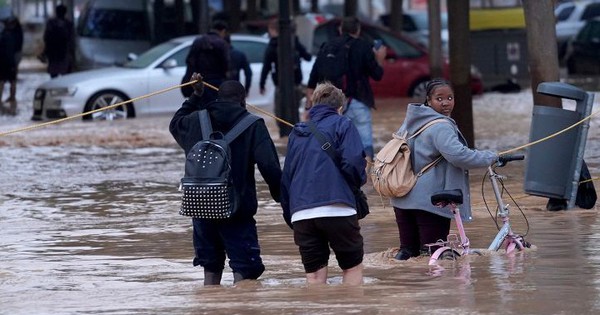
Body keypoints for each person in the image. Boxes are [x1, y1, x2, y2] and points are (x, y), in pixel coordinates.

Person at [169, 73, 282, 285]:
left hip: (201, 208)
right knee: (245, 270)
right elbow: (270, 167)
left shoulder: (195, 120)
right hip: (237, 211)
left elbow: (174, 124)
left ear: (218, 97)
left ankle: (212, 305)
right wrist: (283, 199)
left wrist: (195, 96)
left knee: (210, 267)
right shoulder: (253, 124)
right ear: (243, 100)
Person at [391, 79, 498, 260]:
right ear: (428, 101)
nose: (446, 102)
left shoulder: (410, 122)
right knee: (434, 256)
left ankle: (404, 288)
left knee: (408, 256)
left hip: (402, 198)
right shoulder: (441, 125)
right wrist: (491, 157)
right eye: (439, 98)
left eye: (450, 98)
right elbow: (459, 156)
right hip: (431, 202)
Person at [281, 81, 367, 286]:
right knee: (351, 268)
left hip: (302, 214)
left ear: (313, 104)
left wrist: (291, 214)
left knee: (314, 277)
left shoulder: (297, 132)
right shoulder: (343, 124)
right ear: (340, 108)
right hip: (338, 209)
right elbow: (353, 163)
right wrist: (356, 185)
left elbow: (287, 177)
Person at [306, 16, 386, 162]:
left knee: (334, 141)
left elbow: (313, 78)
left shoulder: (326, 46)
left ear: (340, 29)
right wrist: (379, 59)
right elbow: (377, 75)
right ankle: (366, 177)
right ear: (358, 30)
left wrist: (308, 105)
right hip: (357, 99)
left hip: (330, 104)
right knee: (364, 142)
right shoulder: (363, 46)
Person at [259, 18, 311, 138]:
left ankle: (286, 135)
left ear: (273, 30)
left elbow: (266, 66)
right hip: (296, 84)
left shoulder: (273, 45)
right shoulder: (294, 42)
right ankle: (297, 134)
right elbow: (307, 56)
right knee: (295, 112)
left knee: (280, 113)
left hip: (281, 86)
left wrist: (262, 83)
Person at [181, 20, 229, 102]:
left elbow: (190, 61)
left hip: (199, 81)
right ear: (223, 31)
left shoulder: (198, 41)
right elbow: (226, 64)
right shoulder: (221, 43)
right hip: (216, 82)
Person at [42, 4, 75, 78]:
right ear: (65, 13)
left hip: (52, 53)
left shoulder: (51, 23)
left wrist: (46, 50)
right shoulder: (68, 24)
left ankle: (54, 87)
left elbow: (46, 37)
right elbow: (71, 39)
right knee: (65, 74)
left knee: (53, 74)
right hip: (64, 52)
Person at [0, 16, 23, 104]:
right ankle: (12, 97)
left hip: (7, 62)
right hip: (10, 61)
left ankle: (11, 97)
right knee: (11, 80)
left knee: (3, 81)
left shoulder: (7, 35)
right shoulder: (15, 33)